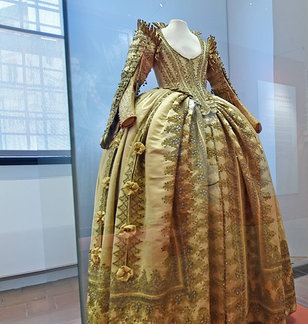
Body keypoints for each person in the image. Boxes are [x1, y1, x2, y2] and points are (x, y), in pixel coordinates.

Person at [86, 19, 296, 323]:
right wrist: (126, 113)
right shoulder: (152, 34)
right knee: (170, 210)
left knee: (225, 208)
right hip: (164, 123)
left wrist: (247, 117)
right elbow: (130, 81)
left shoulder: (206, 43)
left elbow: (223, 86)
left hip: (216, 118)